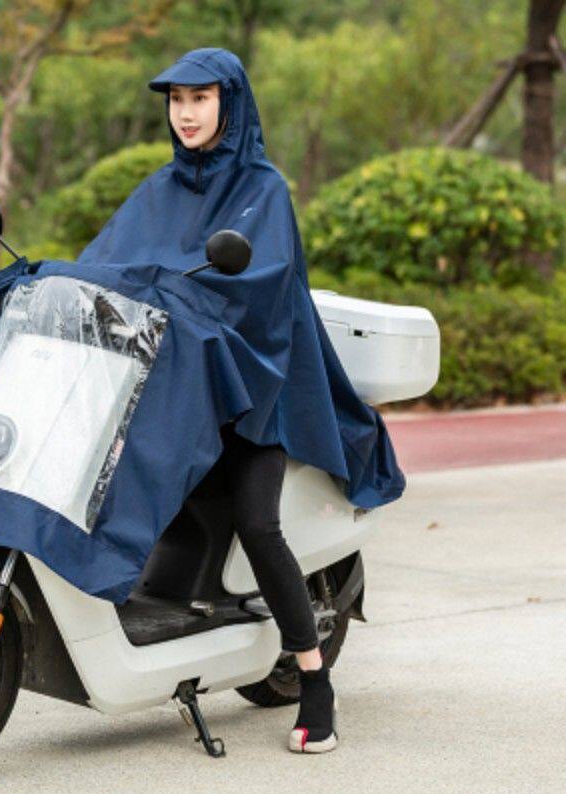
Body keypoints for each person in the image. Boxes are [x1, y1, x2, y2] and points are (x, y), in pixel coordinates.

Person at [77, 47, 406, 753]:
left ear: (230, 103)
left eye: (199, 98)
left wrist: (170, 295)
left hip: (259, 393)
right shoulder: (158, 190)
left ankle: (314, 679)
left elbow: (255, 288)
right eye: (176, 100)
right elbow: (107, 263)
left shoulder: (264, 190)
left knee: (258, 525)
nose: (185, 112)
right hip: (184, 390)